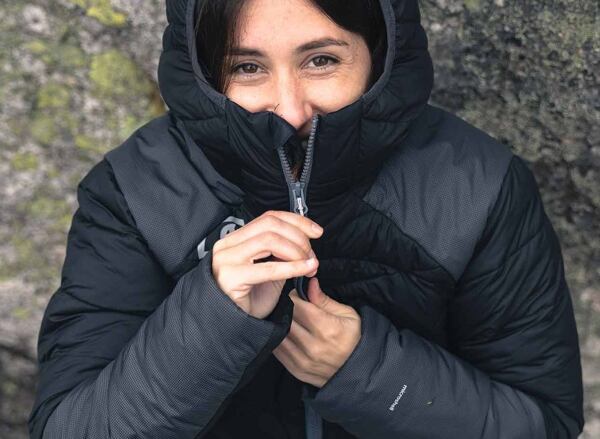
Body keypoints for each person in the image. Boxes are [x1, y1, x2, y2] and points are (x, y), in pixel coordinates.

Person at [28, 0, 584, 438]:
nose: (291, 109)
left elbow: (544, 420)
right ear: (204, 71)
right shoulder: (133, 190)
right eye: (247, 67)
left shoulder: (480, 185)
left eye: (321, 60)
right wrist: (212, 317)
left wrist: (368, 372)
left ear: (380, 52)